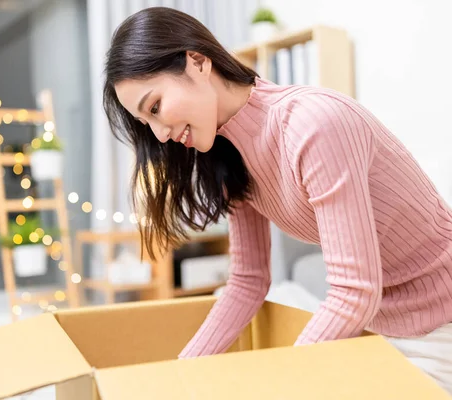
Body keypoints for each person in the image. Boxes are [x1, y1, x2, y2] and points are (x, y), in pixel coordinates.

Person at [103, 6, 452, 393]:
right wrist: (179, 375)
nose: (160, 134)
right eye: (145, 123)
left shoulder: (314, 123)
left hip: (441, 323)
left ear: (198, 62)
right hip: (378, 326)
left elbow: (355, 290)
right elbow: (247, 282)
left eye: (155, 107)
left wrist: (283, 383)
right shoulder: (225, 156)